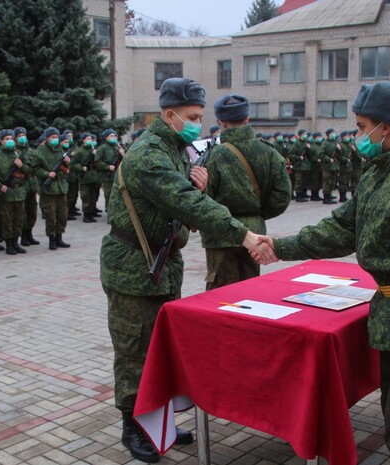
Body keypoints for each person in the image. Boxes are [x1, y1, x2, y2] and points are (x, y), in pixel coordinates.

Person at [252, 81, 390, 465]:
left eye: (360, 126)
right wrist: (279, 246)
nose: (357, 136)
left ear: (384, 127)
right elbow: (342, 228)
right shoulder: (382, 172)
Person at [100, 77, 269, 463]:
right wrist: (244, 235)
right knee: (134, 349)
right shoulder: (150, 155)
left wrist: (202, 187)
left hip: (161, 266)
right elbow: (188, 206)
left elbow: (184, 209)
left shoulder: (177, 150)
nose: (197, 123)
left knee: (160, 350)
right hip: (132, 270)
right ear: (170, 114)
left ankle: (159, 423)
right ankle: (133, 425)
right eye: (191, 117)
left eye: (200, 116)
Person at [201, 93, 291, 290]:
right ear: (247, 119)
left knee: (220, 297)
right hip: (255, 234)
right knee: (249, 293)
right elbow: (282, 196)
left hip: (221, 235)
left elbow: (204, 198)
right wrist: (256, 215)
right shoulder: (268, 152)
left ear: (221, 122)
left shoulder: (215, 155)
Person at [31, 127, 72, 250]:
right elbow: (35, 168)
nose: (55, 139)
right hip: (49, 189)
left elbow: (65, 170)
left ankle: (59, 237)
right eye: (52, 137)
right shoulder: (40, 151)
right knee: (51, 216)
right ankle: (52, 239)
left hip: (61, 187)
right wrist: (47, 174)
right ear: (47, 138)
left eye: (56, 137)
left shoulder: (60, 150)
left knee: (62, 215)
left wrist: (67, 162)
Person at [0, 129, 31, 254]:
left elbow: (30, 172)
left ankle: (16, 242)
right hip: (6, 192)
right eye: (6, 139)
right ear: (1, 141)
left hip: (19, 192)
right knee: (7, 220)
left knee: (19, 219)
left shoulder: (18, 154)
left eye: (11, 139)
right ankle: (9, 244)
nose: (9, 141)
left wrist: (21, 166)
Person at [72, 133, 101, 223]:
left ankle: (91, 213)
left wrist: (96, 155)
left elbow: (98, 162)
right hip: (85, 177)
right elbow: (72, 164)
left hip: (94, 177)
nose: (90, 140)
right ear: (83, 140)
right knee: (86, 197)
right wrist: (81, 168)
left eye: (91, 139)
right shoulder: (80, 151)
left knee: (93, 197)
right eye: (88, 138)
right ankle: (86, 215)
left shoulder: (93, 150)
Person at [96, 129, 123, 216]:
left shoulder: (117, 148)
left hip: (118, 176)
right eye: (111, 136)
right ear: (106, 137)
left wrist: (122, 154)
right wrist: (108, 167)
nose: (114, 137)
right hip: (107, 176)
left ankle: (116, 213)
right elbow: (97, 162)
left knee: (118, 195)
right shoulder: (102, 148)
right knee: (109, 195)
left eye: (115, 136)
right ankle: (109, 213)